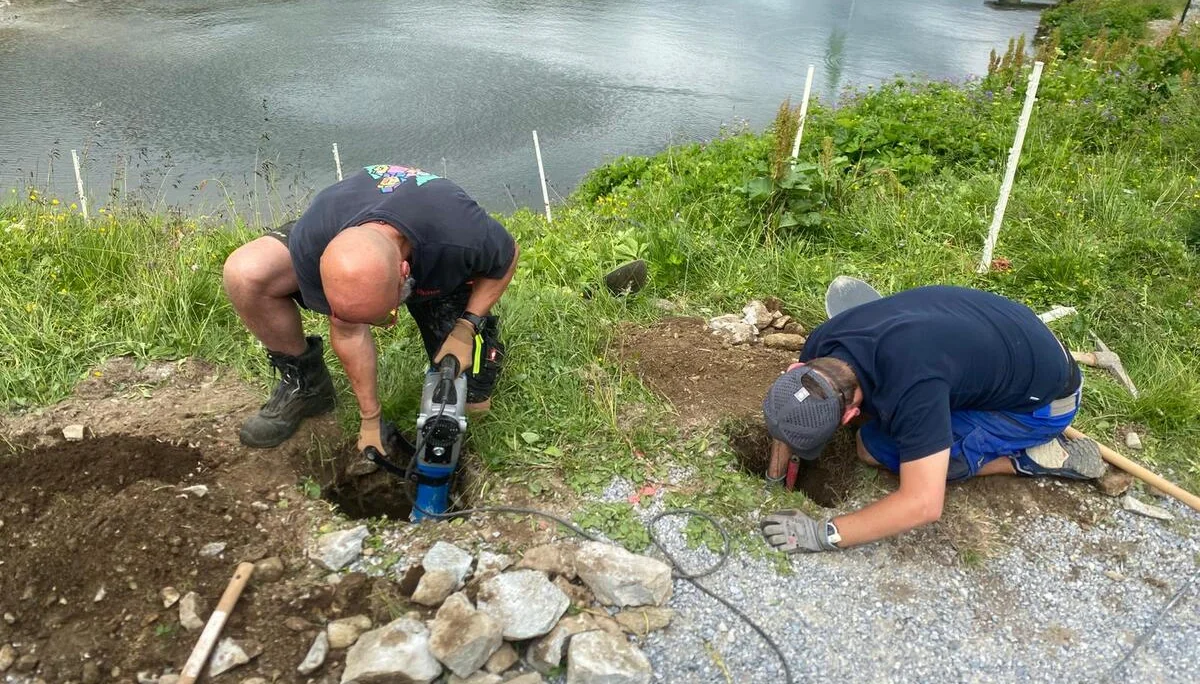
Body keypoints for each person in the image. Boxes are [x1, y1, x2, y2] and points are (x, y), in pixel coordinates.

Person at [759, 285, 1104, 554]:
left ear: (849, 414)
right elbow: (790, 410)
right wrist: (774, 480)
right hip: (1008, 336)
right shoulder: (825, 339)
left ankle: (1028, 459)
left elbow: (923, 503)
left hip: (1044, 405)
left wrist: (821, 535)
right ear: (798, 368)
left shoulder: (914, 389)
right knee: (889, 427)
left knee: (872, 448)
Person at [222, 164, 518, 458]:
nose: (384, 326)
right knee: (247, 273)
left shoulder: (459, 232)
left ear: (405, 272)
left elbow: (507, 258)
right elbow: (348, 333)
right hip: (346, 219)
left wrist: (467, 326)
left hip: (434, 246)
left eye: (385, 315)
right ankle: (307, 386)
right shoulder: (315, 239)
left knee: (472, 398)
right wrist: (370, 418)